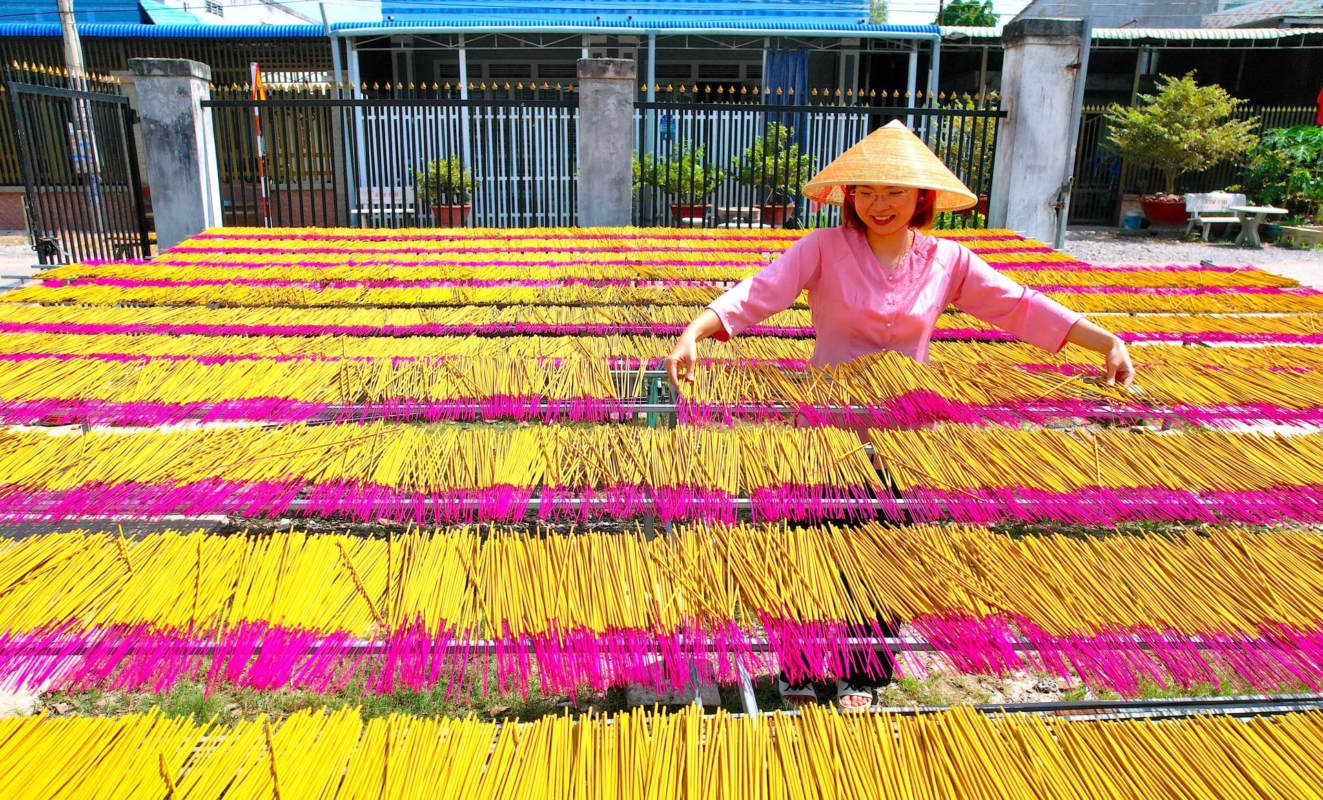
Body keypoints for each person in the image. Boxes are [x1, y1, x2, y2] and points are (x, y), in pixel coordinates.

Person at [663, 120, 1136, 711]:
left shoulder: (947, 259)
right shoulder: (823, 248)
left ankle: (862, 674)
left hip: (902, 437)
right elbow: (762, 290)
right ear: (849, 196)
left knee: (884, 553)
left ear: (921, 198)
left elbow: (1017, 305)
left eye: (893, 192)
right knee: (809, 550)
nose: (878, 204)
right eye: (865, 191)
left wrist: (1103, 340)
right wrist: (695, 331)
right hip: (825, 431)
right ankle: (800, 669)